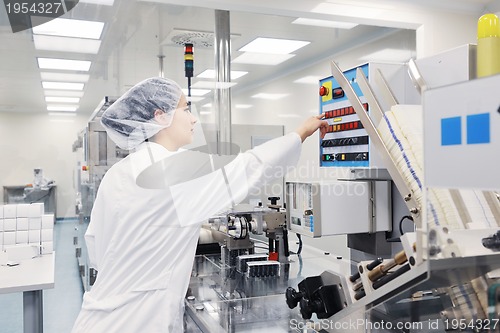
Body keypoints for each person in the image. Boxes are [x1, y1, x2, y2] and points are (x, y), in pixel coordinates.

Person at [71, 77, 328, 333]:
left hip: (97, 315)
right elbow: (249, 167)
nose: (193, 119)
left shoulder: (120, 172)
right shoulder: (175, 170)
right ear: (160, 116)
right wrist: (301, 133)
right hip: (139, 320)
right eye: (185, 109)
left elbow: (96, 245)